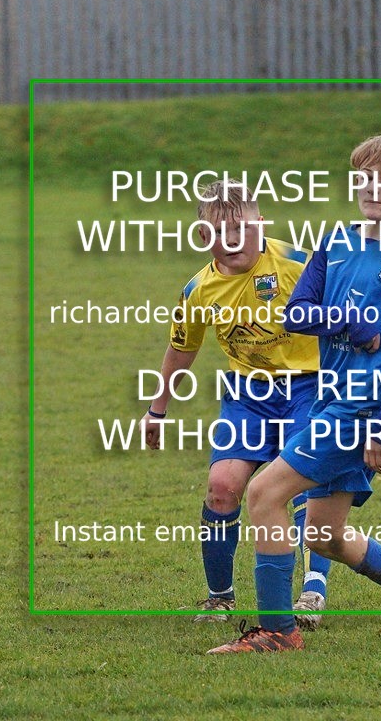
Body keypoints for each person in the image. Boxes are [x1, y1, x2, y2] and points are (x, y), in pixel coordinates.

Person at [207, 134, 381, 654]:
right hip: (327, 399)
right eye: (364, 177)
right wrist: (350, 322)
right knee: (324, 535)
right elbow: (296, 314)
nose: (373, 187)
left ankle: (278, 632)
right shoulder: (332, 244)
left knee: (263, 495)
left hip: (361, 408)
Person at [142, 180, 330, 629]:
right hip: (249, 395)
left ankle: (313, 590)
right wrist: (158, 407)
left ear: (259, 223)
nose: (233, 240)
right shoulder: (198, 290)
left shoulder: (298, 264)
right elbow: (181, 349)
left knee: (300, 484)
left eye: (242, 229)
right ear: (205, 237)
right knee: (222, 486)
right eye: (220, 232)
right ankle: (219, 598)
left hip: (309, 387)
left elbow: (349, 312)